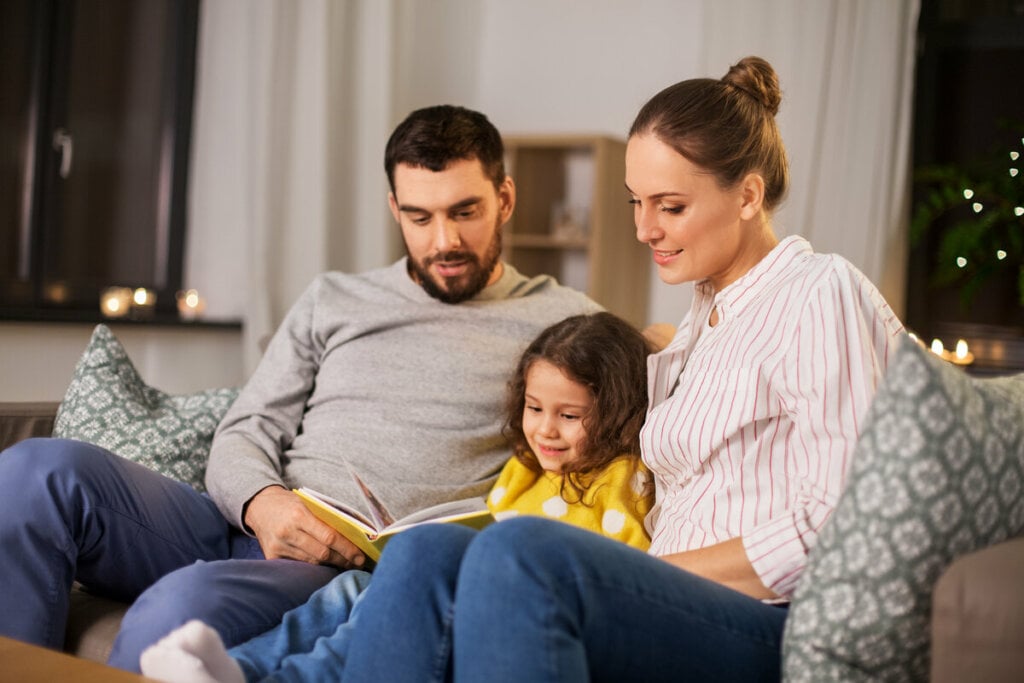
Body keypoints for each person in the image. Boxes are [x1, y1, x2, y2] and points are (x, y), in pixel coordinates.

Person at [197, 55, 904, 683]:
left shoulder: (818, 292)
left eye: (671, 206)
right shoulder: (702, 324)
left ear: (748, 196)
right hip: (670, 598)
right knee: (425, 554)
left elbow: (847, 520)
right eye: (636, 202)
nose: (643, 228)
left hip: (767, 620)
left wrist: (645, 575)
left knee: (522, 552)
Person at [0, 105, 601, 672]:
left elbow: (635, 391)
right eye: (420, 217)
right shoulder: (334, 298)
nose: (442, 240)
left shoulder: (565, 323)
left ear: (505, 198)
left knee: (177, 610)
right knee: (38, 471)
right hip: (248, 519)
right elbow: (248, 425)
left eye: (464, 212)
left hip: (341, 562)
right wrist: (262, 503)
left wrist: (654, 341)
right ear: (395, 208)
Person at [139, 311, 655, 682]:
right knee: (341, 597)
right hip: (449, 584)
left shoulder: (622, 479)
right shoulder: (526, 468)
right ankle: (237, 666)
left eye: (569, 416)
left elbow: (618, 567)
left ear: (615, 412)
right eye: (534, 408)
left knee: (365, 617)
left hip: (497, 603)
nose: (546, 430)